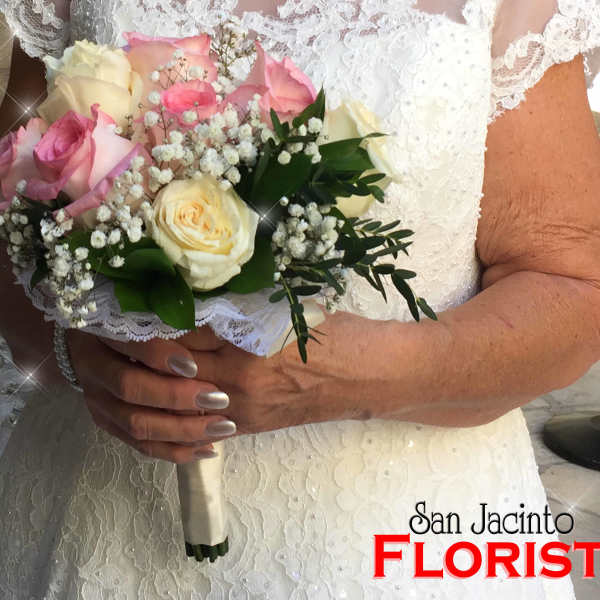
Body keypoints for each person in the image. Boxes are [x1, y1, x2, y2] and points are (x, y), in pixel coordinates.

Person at [0, 1, 599, 598]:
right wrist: (75, 351)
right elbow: (14, 214)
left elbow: (573, 287)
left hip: (400, 542)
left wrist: (357, 374)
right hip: (96, 526)